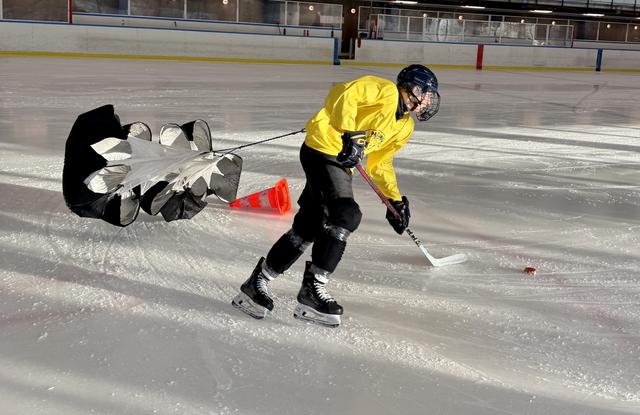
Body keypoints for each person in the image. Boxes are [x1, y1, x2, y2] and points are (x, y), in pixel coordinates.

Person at [232, 64, 441, 327]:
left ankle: (256, 284)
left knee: (310, 224)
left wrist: (394, 200)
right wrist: (350, 132)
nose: (428, 102)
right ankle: (313, 289)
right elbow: (342, 94)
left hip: (339, 163)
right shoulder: (386, 91)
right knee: (346, 214)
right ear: (414, 88)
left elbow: (380, 163)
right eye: (427, 94)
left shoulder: (404, 126)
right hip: (322, 148)